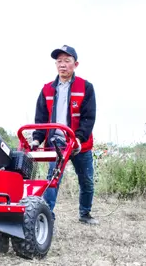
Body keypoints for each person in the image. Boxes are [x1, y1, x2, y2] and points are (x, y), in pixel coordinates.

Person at [31, 45, 98, 225]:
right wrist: (37, 139)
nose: (62, 65)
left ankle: (85, 213)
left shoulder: (86, 87)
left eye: (67, 61)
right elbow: (41, 119)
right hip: (56, 143)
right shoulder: (46, 89)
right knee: (52, 180)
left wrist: (78, 138)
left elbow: (88, 117)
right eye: (59, 61)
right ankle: (46, 215)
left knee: (87, 180)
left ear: (75, 64)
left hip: (79, 144)